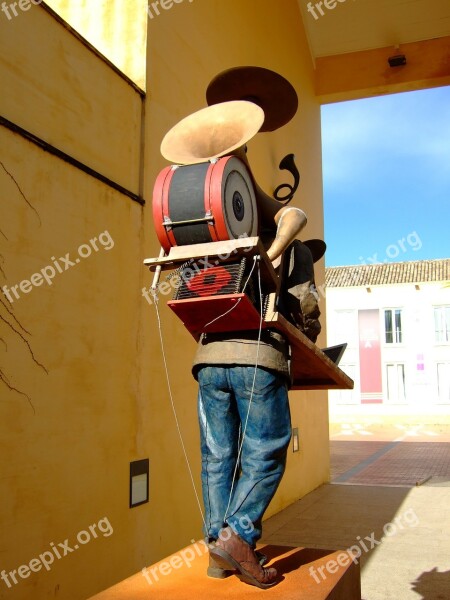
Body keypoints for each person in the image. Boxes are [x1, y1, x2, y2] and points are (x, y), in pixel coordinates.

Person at [191, 217, 322, 589]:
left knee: (217, 458)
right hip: (259, 359)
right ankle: (237, 537)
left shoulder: (219, 241)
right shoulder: (296, 249)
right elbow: (306, 306)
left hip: (209, 361)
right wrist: (310, 331)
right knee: (264, 456)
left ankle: (218, 548)